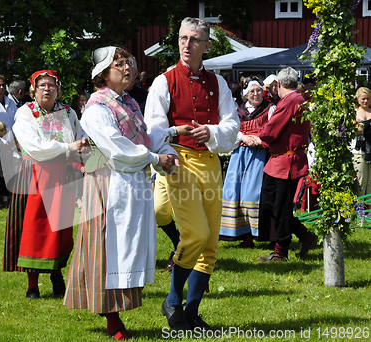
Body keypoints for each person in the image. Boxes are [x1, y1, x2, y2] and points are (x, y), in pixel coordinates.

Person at [64, 46, 179, 341]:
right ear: (103, 73)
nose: (127, 67)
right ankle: (111, 318)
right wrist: (154, 160)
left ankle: (115, 309)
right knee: (107, 245)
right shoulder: (96, 107)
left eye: (128, 62)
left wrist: (172, 137)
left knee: (128, 244)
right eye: (119, 64)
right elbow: (117, 147)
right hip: (108, 181)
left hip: (131, 180)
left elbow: (143, 136)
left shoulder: (128, 101)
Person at [144, 17, 239, 331]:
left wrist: (210, 132)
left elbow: (232, 127)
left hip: (210, 161)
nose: (187, 45)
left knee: (210, 242)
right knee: (195, 235)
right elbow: (153, 131)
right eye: (184, 38)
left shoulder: (218, 83)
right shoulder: (164, 81)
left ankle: (193, 312)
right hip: (178, 161)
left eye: (195, 39)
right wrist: (169, 151)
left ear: (206, 45)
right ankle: (172, 300)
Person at [4, 70, 87, 301]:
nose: (47, 89)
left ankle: (56, 273)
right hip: (36, 175)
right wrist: (69, 147)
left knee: (62, 231)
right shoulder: (25, 113)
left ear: (58, 89)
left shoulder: (68, 112)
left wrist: (83, 153)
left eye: (51, 85)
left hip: (65, 174)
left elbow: (79, 138)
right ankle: (32, 285)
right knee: (35, 229)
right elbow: (35, 147)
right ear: (33, 89)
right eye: (42, 85)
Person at [257, 67, 317, 262]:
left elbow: (268, 132)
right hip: (279, 161)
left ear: (279, 84)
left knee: (280, 208)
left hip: (286, 162)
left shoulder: (290, 101)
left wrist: (261, 131)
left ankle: (281, 251)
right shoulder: (296, 100)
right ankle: (305, 235)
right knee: (269, 205)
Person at [219, 76, 276, 247]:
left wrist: (259, 139)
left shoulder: (270, 109)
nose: (256, 93)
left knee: (253, 195)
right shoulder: (238, 111)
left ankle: (264, 234)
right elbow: (230, 131)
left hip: (260, 155)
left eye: (258, 90)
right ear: (245, 94)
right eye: (252, 91)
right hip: (240, 155)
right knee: (233, 193)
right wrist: (243, 136)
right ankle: (245, 237)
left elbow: (273, 129)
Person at [352, 87, 371, 197]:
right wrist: (367, 128)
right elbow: (353, 129)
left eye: (367, 98)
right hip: (358, 151)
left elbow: (359, 129)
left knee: (370, 182)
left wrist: (362, 128)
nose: (365, 101)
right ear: (358, 99)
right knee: (361, 180)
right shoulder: (354, 113)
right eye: (363, 99)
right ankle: (360, 209)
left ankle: (370, 208)